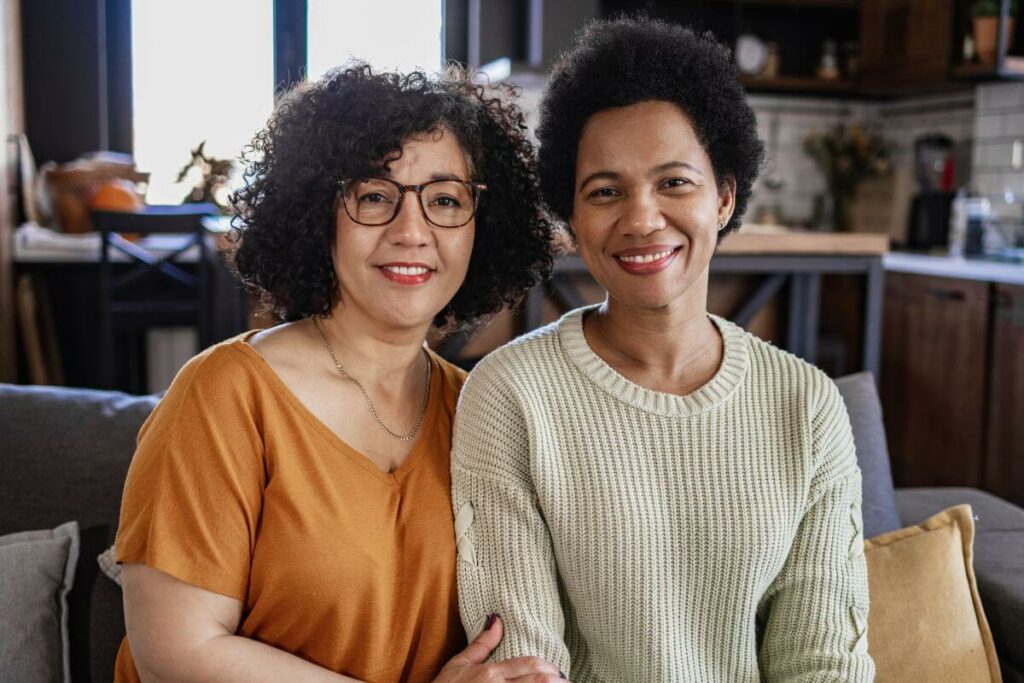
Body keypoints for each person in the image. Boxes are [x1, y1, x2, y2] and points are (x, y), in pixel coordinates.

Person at [451, 17, 875, 682]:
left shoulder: (807, 403)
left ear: (724, 197)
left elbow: (820, 662)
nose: (642, 217)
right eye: (606, 191)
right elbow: (523, 665)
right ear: (573, 217)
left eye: (674, 181)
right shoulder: (510, 394)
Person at [114, 64, 562, 682]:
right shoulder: (224, 394)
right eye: (375, 196)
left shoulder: (484, 408)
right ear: (318, 212)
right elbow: (175, 651)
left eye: (446, 200)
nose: (413, 231)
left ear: (482, 230)